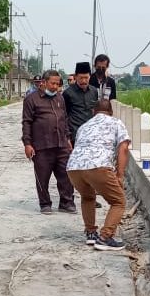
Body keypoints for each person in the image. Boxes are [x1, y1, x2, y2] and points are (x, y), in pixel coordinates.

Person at [67, 99, 131, 251]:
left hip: (73, 167)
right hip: (98, 165)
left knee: (87, 197)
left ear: (93, 112)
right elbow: (123, 149)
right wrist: (119, 175)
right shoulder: (116, 123)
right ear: (111, 112)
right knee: (118, 201)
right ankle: (105, 237)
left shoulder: (84, 126)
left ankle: (91, 233)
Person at [22, 69, 76, 214]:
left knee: (66, 175)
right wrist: (27, 144)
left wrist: (68, 138)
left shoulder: (60, 98)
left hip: (61, 144)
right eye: (52, 83)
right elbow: (26, 122)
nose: (55, 87)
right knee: (43, 177)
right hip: (42, 145)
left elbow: (64, 119)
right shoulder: (31, 99)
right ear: (44, 82)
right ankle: (45, 203)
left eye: (57, 84)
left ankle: (66, 202)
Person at [63, 61, 99, 141]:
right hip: (74, 136)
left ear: (90, 76)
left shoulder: (94, 91)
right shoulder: (68, 93)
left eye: (86, 78)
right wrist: (67, 137)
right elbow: (64, 116)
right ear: (75, 77)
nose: (84, 81)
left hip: (91, 135)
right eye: (81, 78)